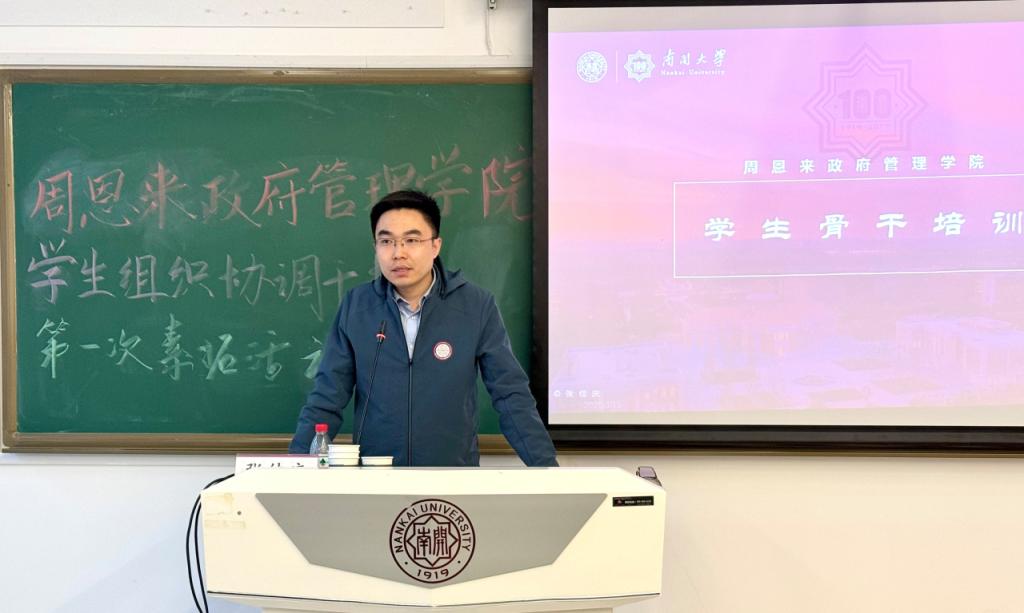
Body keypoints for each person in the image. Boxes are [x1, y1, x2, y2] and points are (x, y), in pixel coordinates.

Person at [289, 189, 558, 466]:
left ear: (435, 246)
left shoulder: (475, 306)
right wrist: (294, 467)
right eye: (386, 241)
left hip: (453, 478)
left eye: (412, 240)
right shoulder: (357, 307)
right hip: (375, 476)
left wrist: (547, 468)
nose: (398, 253)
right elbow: (327, 398)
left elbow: (510, 395)